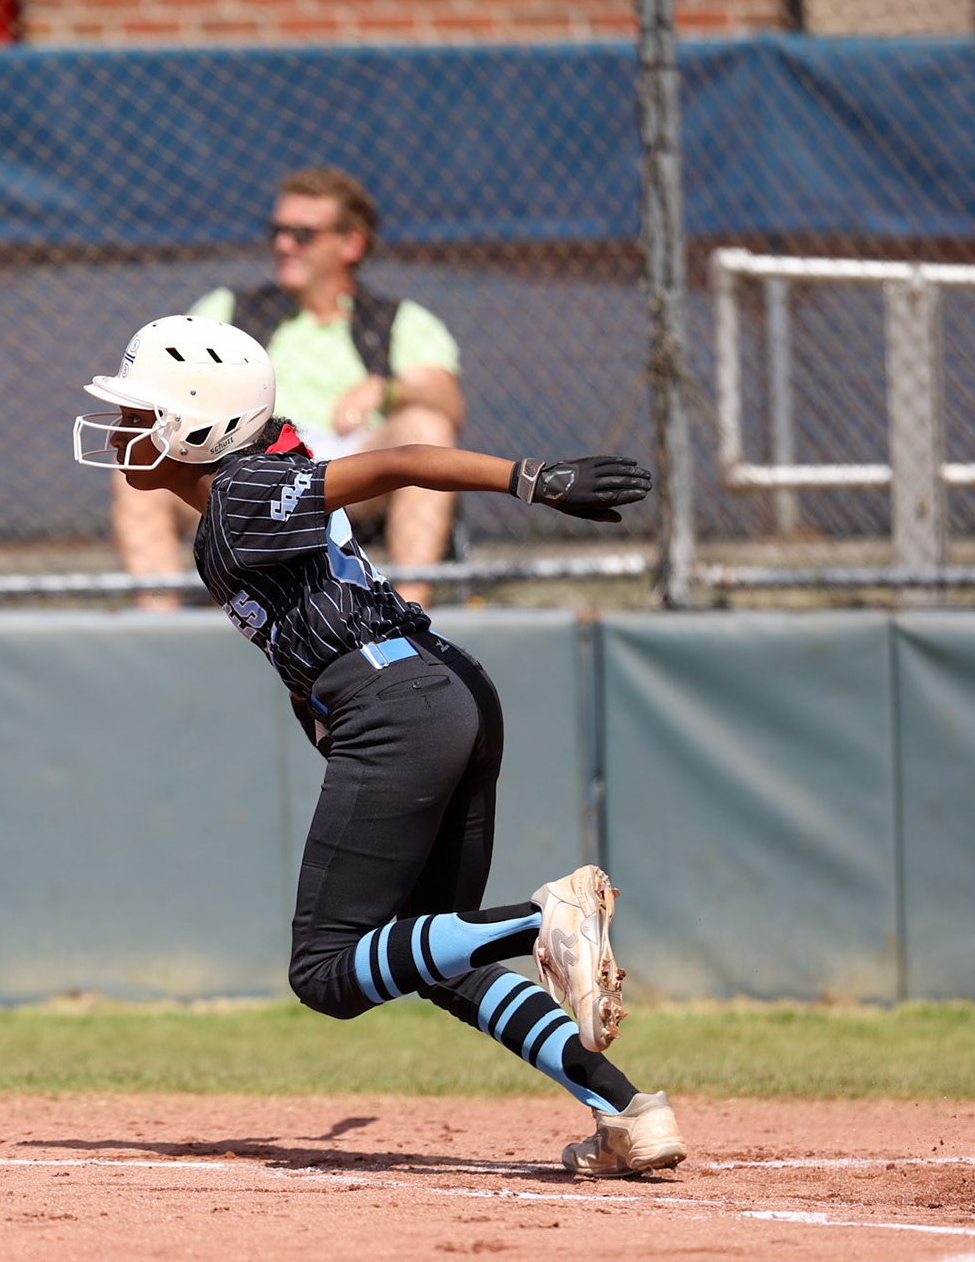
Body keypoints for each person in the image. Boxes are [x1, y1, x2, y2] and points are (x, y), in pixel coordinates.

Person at [73, 315, 685, 1178]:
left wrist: (530, 479)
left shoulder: (241, 499)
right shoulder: (245, 487)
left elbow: (396, 464)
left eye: (143, 414)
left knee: (324, 973)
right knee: (437, 952)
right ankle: (627, 1112)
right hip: (445, 693)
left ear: (195, 426)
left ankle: (542, 918)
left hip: (398, 710)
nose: (124, 430)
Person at [112, 167, 465, 609]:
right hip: (238, 469)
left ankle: (411, 610)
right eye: (277, 231)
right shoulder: (229, 310)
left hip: (346, 466)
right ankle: (161, 631)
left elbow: (446, 400)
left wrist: (388, 391)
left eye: (302, 234)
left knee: (425, 425)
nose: (283, 245)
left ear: (351, 243)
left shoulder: (401, 321)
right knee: (138, 457)